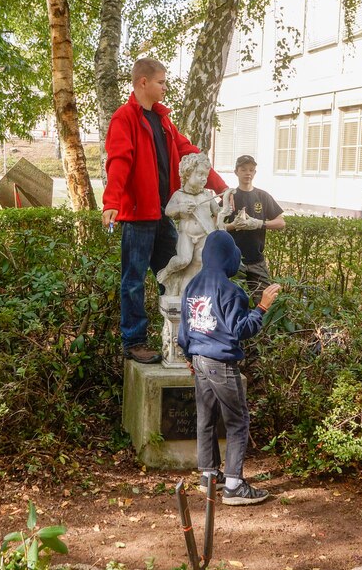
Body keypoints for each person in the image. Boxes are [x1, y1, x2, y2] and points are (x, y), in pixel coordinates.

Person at [101, 57, 227, 364]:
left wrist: (220, 187)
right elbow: (119, 162)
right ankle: (134, 342)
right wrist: (111, 203)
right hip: (138, 217)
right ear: (143, 82)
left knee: (177, 274)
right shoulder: (125, 118)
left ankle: (188, 336)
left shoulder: (164, 120)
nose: (165, 87)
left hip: (164, 215)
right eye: (161, 82)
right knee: (133, 281)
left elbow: (191, 154)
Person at [177, 230, 280, 506]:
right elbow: (239, 330)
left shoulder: (193, 285)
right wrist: (261, 308)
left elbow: (184, 328)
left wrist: (189, 355)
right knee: (237, 421)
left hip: (198, 360)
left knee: (206, 417)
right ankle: (234, 485)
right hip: (221, 363)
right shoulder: (232, 290)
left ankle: (209, 475)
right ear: (227, 257)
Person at [157, 152, 225, 296]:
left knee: (200, 261)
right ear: (187, 173)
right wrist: (181, 208)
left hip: (205, 234)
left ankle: (190, 290)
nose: (203, 179)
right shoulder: (179, 195)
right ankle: (168, 271)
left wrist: (226, 209)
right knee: (183, 260)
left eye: (206, 176)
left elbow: (217, 211)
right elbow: (168, 211)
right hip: (186, 234)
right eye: (200, 174)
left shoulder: (206, 195)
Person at [223, 155, 285, 300]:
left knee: (265, 302)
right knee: (233, 302)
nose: (248, 173)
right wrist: (232, 226)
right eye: (243, 169)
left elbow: (281, 222)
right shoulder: (230, 197)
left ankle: (260, 323)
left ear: (255, 173)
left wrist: (259, 223)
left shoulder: (263, 196)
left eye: (251, 170)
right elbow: (214, 227)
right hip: (234, 261)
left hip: (257, 260)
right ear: (236, 172)